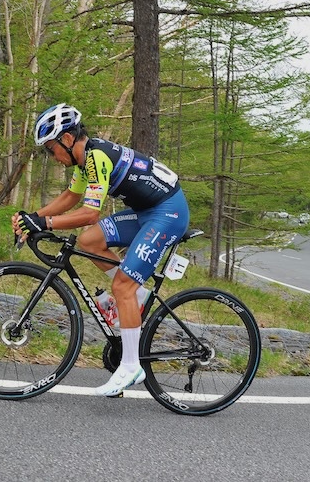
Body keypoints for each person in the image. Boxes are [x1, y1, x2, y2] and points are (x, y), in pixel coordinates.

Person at [12, 103, 190, 397]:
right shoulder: (85, 160)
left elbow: (90, 213)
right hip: (148, 211)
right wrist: (33, 217)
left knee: (122, 287)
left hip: (167, 213)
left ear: (67, 140)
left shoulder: (96, 158)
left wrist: (45, 222)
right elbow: (71, 196)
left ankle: (132, 365)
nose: (51, 156)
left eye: (50, 148)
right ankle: (138, 299)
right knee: (89, 240)